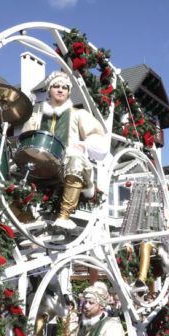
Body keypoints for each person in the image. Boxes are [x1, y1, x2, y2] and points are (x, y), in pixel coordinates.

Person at [20, 71, 109, 231]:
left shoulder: (78, 114)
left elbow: (101, 142)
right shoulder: (37, 117)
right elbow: (26, 141)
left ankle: (64, 215)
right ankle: (25, 219)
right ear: (49, 90)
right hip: (42, 168)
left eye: (64, 87)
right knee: (16, 169)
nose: (60, 90)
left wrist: (85, 144)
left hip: (67, 167)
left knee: (75, 158)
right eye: (56, 86)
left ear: (68, 92)